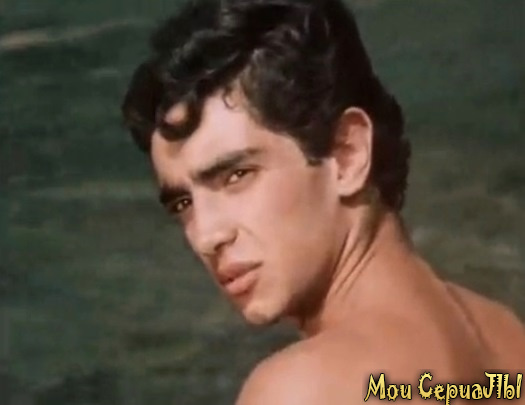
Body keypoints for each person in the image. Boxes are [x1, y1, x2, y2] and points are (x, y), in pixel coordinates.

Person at [121, 0, 525, 403]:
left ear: (347, 154)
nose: (206, 236)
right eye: (183, 203)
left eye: (237, 175)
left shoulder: (300, 390)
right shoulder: (505, 338)